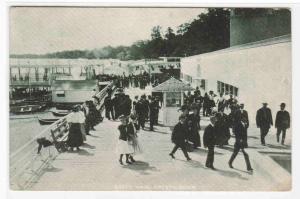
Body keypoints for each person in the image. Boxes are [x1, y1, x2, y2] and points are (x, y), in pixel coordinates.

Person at [229, 105, 253, 171]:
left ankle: (248, 167)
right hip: (238, 142)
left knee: (245, 154)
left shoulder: (245, 125)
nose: (246, 120)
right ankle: (230, 162)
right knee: (235, 153)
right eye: (245, 120)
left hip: (243, 142)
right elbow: (237, 134)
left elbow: (245, 134)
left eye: (246, 120)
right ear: (242, 119)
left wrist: (245, 141)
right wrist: (239, 140)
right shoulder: (238, 125)